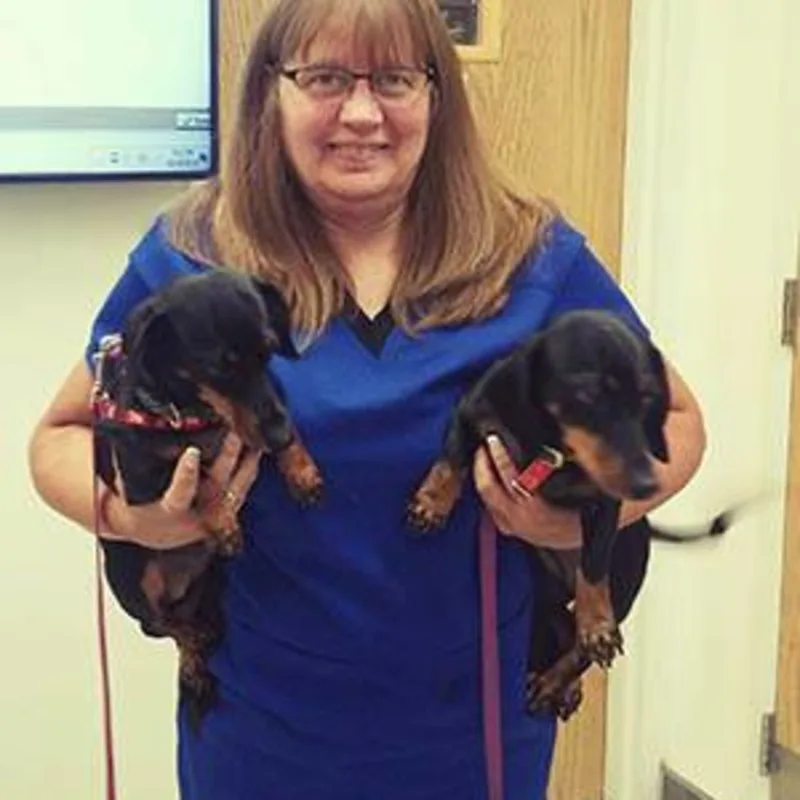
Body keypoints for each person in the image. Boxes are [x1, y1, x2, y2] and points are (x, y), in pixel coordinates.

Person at [28, 0, 706, 797]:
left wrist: (574, 517)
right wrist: (142, 519)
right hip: (260, 731)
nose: (360, 112)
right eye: (323, 78)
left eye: (392, 78)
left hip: (474, 730)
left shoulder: (531, 254)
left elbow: (679, 422)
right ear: (269, 93)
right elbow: (59, 439)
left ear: (435, 97)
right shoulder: (192, 253)